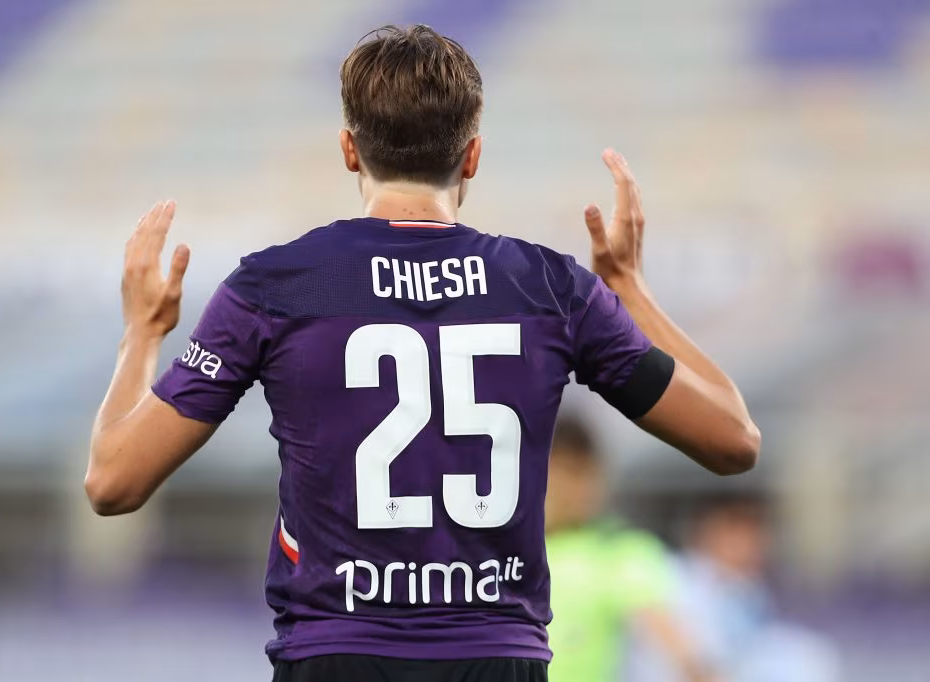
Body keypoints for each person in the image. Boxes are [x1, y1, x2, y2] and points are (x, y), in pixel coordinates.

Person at [84, 24, 760, 682]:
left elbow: (113, 482)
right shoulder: (552, 289)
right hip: (496, 654)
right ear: (472, 156)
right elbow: (733, 439)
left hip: (336, 652)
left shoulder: (276, 287)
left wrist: (142, 333)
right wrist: (631, 291)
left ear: (349, 149)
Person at [546, 416, 719, 682]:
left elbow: (675, 642)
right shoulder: (500, 551)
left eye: (588, 474)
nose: (581, 490)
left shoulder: (618, 551)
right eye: (569, 473)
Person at [628, 495, 840, 682]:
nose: (756, 542)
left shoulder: (747, 589)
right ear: (709, 531)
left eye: (758, 531)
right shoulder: (671, 575)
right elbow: (683, 654)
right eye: (741, 530)